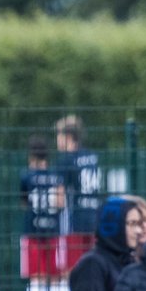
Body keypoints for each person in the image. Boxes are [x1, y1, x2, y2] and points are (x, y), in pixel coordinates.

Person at [20, 135, 65, 291]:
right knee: (55, 278)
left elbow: (24, 202)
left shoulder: (27, 176)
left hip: (33, 231)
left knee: (36, 278)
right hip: (54, 232)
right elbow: (60, 202)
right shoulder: (56, 176)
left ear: (31, 155)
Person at [56, 114, 101, 279]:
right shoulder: (92, 157)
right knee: (93, 266)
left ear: (67, 136)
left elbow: (59, 197)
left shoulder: (66, 160)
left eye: (59, 136)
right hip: (94, 217)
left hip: (74, 221)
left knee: (72, 268)